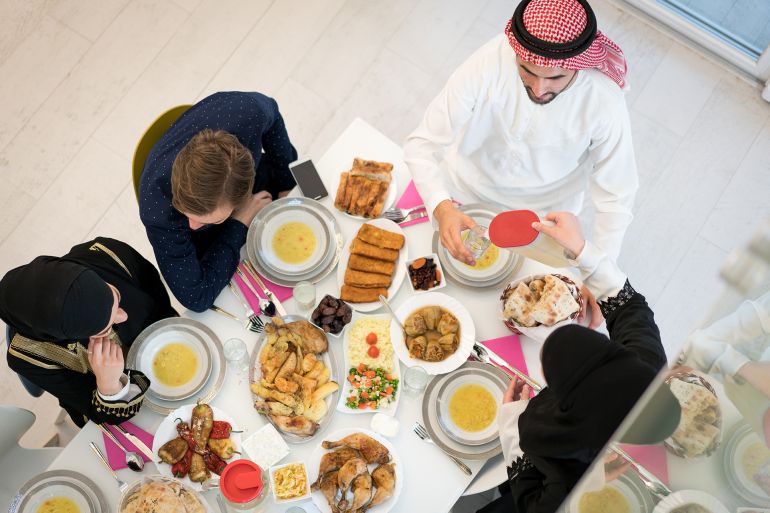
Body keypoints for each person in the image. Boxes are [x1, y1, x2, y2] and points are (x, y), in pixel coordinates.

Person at [404, 0, 636, 266]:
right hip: (462, 192)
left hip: (542, 219)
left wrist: (600, 269)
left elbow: (617, 196)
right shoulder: (488, 62)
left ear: (579, 64)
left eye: (555, 78)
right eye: (527, 71)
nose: (538, 89)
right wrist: (440, 205)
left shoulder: (604, 101)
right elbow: (421, 144)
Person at [481, 212, 667, 513]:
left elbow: (530, 502)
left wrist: (511, 420)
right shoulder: (646, 364)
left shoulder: (545, 435)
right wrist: (582, 250)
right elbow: (630, 306)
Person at [139, 91, 298, 312]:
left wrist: (286, 182)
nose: (192, 225)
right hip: (208, 236)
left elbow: (274, 117)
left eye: (211, 220)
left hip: (254, 184)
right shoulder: (157, 211)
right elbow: (196, 297)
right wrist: (238, 224)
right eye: (188, 213)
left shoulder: (249, 110)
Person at [0, 238, 177, 427]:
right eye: (106, 327)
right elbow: (92, 410)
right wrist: (109, 385)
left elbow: (159, 300)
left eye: (115, 295)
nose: (123, 316)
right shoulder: (26, 357)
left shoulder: (106, 253)